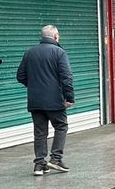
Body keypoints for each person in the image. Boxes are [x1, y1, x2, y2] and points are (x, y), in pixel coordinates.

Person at [16, 24, 74, 176]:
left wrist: (35, 86)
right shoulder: (59, 52)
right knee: (61, 126)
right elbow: (66, 77)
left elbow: (20, 76)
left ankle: (39, 165)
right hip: (55, 100)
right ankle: (56, 159)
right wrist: (69, 97)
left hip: (35, 100)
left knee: (40, 132)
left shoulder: (29, 52)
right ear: (55, 36)